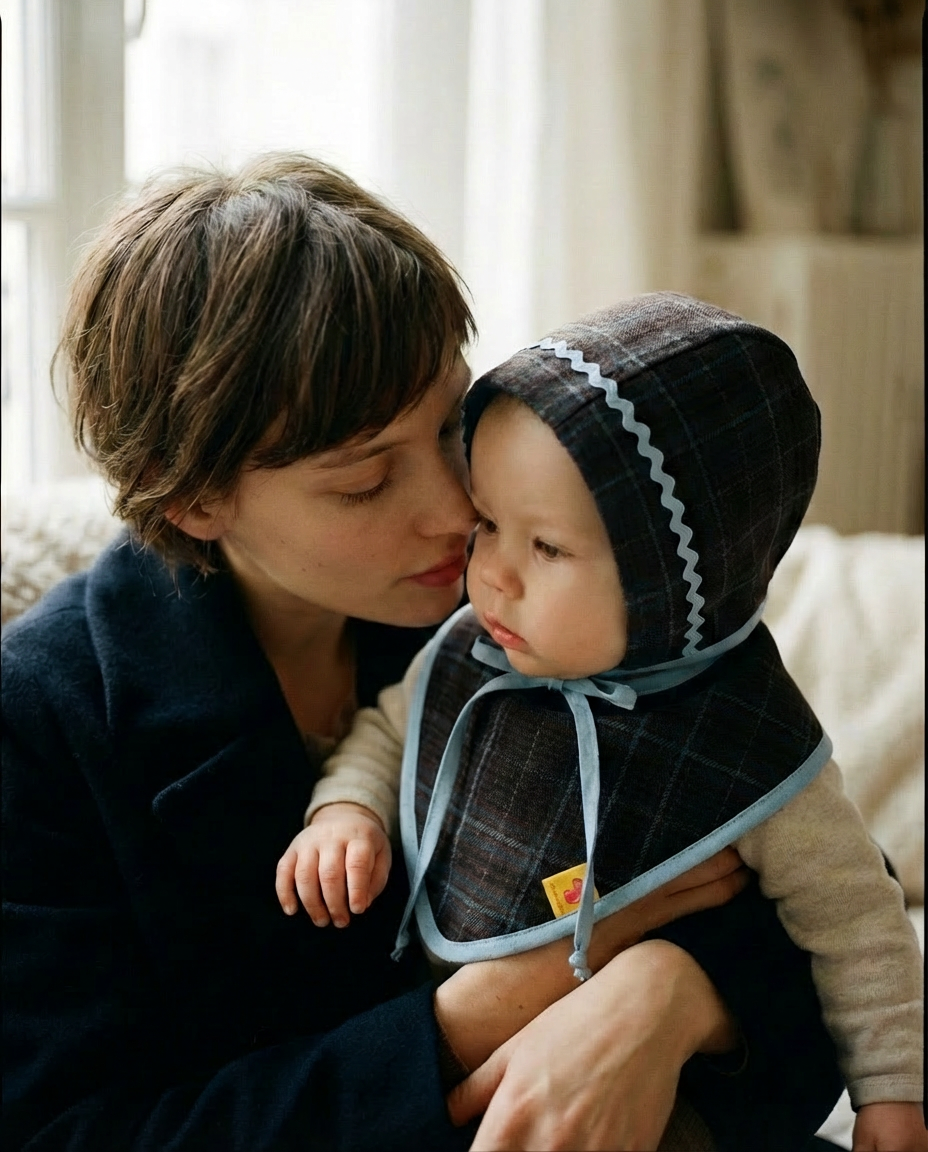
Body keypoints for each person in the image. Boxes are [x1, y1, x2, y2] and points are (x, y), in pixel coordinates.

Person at [2, 154, 842, 1152]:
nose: (457, 511)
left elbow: (821, 883)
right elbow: (72, 1133)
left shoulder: (521, 597)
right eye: (364, 481)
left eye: (453, 424)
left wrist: (670, 995)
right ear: (191, 499)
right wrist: (494, 1006)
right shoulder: (41, 723)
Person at [278, 294, 926, 1151]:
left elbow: (857, 923)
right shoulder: (473, 649)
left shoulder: (743, 740)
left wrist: (892, 1094)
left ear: (671, 589)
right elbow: (392, 729)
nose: (492, 573)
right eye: (489, 523)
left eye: (546, 548)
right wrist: (346, 810)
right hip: (438, 1079)